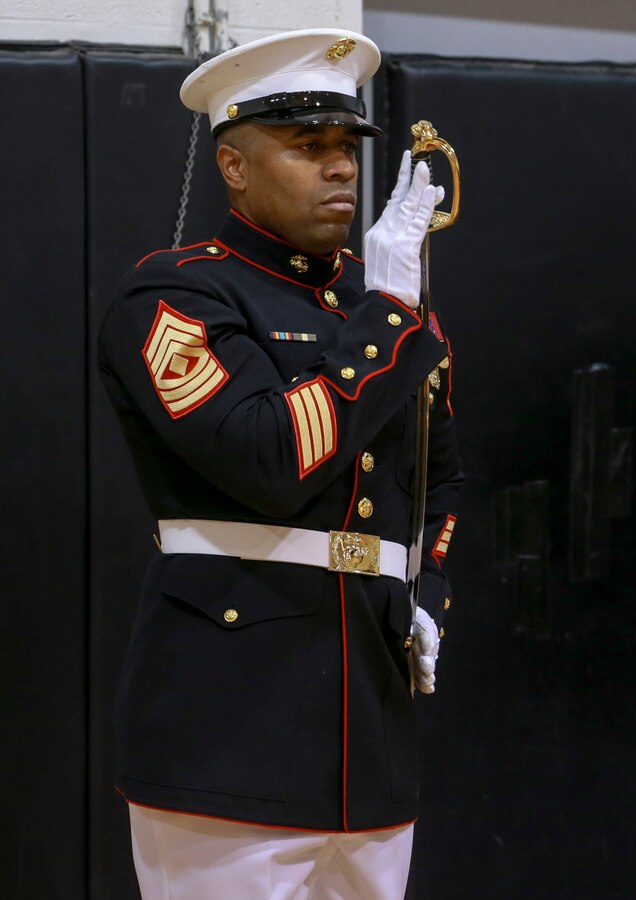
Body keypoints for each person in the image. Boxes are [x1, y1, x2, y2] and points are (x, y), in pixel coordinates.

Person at [99, 27, 463, 900]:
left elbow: (437, 477)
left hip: (368, 720)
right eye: (307, 147)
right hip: (230, 715)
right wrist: (384, 315)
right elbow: (266, 456)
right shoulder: (178, 292)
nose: (339, 168)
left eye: (346, 148)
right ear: (233, 165)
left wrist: (429, 593)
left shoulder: (381, 302)